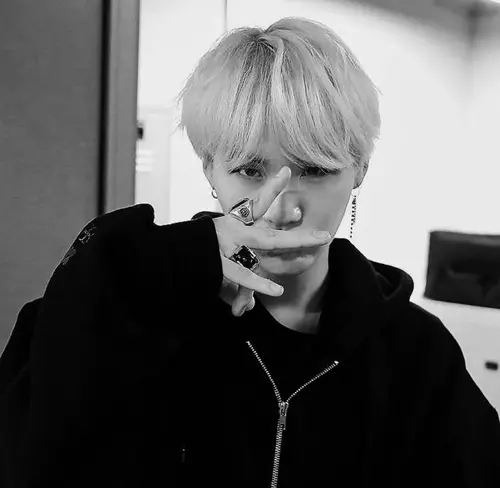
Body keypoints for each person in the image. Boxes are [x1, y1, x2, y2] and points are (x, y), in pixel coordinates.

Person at [0, 16, 499, 488]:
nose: (283, 210)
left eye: (315, 170)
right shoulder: (143, 315)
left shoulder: (414, 350)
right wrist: (141, 274)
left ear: (359, 171)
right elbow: (34, 451)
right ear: (209, 170)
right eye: (250, 170)